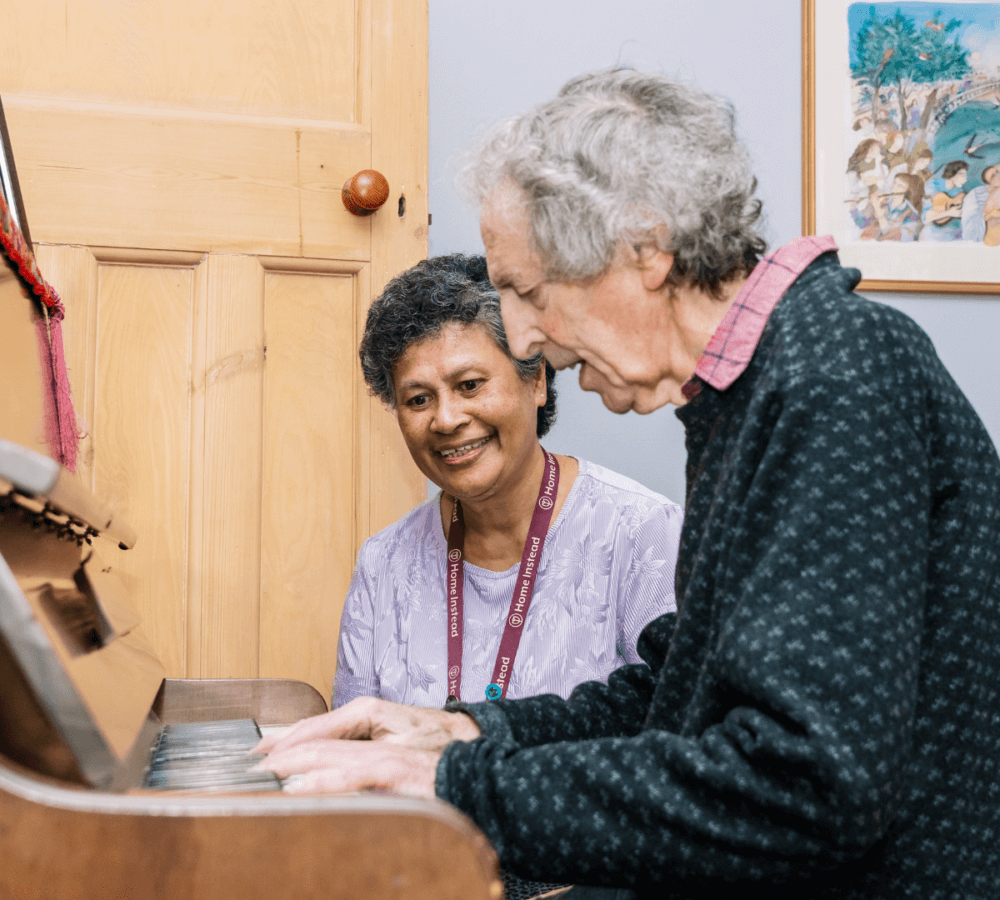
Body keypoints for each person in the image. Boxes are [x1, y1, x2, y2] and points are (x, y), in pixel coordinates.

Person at [258, 70, 1000, 900]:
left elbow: (808, 783)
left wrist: (461, 787)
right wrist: (460, 732)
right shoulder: (751, 392)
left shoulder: (834, 378)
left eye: (528, 293)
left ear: (646, 249)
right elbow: (677, 691)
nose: (526, 338)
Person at [333, 253, 682, 712]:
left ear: (536, 380)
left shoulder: (644, 534)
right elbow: (354, 751)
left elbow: (679, 733)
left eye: (470, 385)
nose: (447, 418)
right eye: (418, 399)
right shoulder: (383, 565)